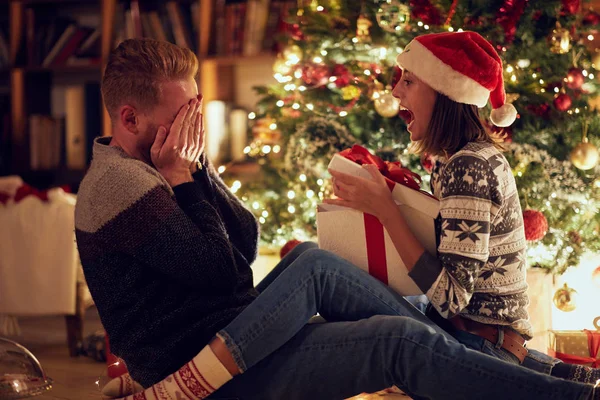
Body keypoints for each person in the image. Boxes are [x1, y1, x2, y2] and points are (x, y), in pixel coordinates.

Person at [75, 37, 599, 400]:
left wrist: (198, 170)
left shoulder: (161, 168)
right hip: (206, 375)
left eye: (197, 110)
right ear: (129, 119)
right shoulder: (122, 182)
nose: (193, 127)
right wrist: (184, 179)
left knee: (312, 261)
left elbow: (244, 243)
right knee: (390, 333)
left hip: (231, 341)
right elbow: (221, 272)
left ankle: (557, 379)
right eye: (183, 115)